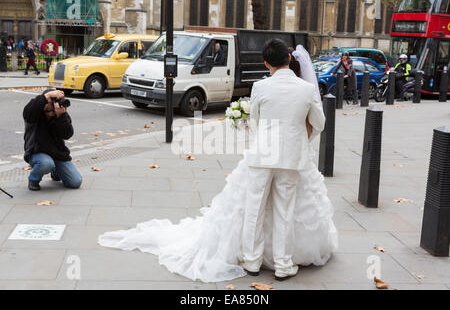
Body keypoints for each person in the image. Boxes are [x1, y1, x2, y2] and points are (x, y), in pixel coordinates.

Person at [98, 40, 338, 283]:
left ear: (266, 63)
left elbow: (255, 121)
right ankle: (284, 266)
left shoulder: (260, 87)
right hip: (292, 158)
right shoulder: (306, 89)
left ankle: (252, 261)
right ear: (289, 59)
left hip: (261, 155)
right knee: (284, 210)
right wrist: (300, 141)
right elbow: (319, 123)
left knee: (254, 209)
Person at [23, 89, 82, 191]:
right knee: (46, 163)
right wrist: (48, 96)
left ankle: (55, 171)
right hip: (37, 152)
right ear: (44, 102)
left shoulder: (60, 114)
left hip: (57, 154)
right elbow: (29, 110)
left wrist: (61, 117)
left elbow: (67, 134)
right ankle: (33, 180)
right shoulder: (34, 114)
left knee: (75, 182)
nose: (52, 110)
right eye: (51, 104)